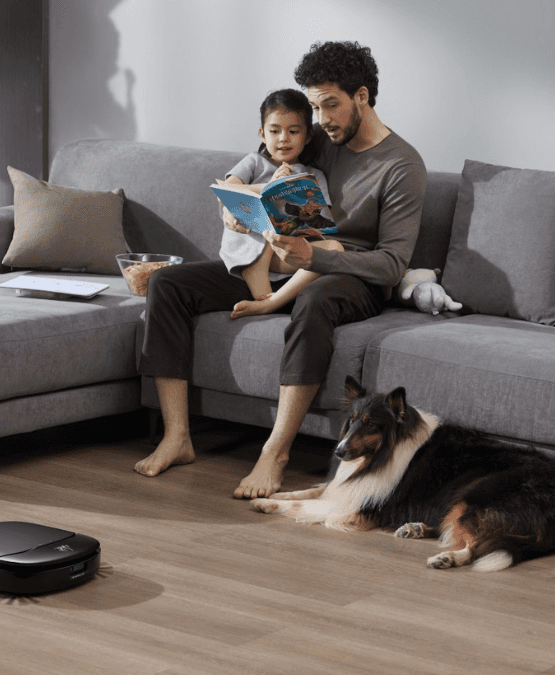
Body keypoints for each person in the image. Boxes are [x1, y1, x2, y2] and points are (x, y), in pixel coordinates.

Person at [135, 40, 427, 499]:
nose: (322, 119)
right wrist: (233, 208)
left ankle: (275, 453)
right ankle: (177, 436)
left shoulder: (402, 166)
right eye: (315, 107)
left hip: (350, 277)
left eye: (331, 105)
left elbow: (391, 264)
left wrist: (318, 257)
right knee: (169, 284)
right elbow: (257, 163)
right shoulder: (319, 140)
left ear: (363, 97)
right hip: (278, 259)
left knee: (312, 302)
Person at [219, 89, 345, 319]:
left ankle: (277, 300)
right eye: (274, 131)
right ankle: (254, 266)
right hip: (248, 247)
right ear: (262, 133)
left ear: (307, 136)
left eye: (293, 131)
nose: (283, 138)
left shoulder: (314, 175)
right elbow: (226, 188)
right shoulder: (255, 162)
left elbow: (320, 224)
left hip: (285, 253)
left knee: (335, 249)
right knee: (262, 209)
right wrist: (265, 188)